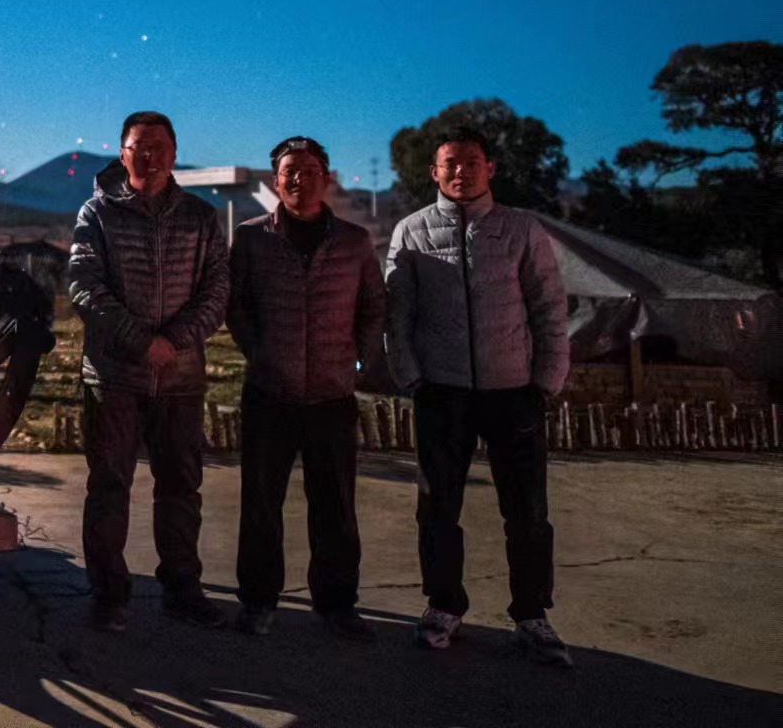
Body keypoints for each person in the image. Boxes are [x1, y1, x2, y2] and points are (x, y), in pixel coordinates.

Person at [385, 128, 572, 666]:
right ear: (434, 172)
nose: (460, 171)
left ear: (490, 168)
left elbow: (548, 306)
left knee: (528, 510)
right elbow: (397, 315)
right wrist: (411, 377)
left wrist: (546, 379)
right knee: (437, 508)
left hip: (513, 390)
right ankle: (443, 605)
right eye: (450, 163)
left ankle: (531, 614)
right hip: (441, 392)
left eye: (471, 161)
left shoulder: (521, 229)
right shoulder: (411, 231)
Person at [69, 110, 230, 631]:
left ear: (175, 153)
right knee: (109, 487)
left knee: (181, 487)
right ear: (123, 154)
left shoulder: (201, 218)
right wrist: (141, 342)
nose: (150, 154)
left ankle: (182, 589)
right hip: (114, 376)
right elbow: (84, 285)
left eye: (160, 145)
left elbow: (218, 290)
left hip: (180, 379)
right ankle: (108, 596)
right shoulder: (97, 214)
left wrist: (174, 340)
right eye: (140, 146)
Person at [225, 136, 385, 640]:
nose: (299, 179)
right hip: (269, 393)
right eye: (289, 171)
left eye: (310, 170)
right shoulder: (251, 238)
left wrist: (358, 362)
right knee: (260, 505)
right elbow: (235, 305)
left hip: (332, 395)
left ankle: (337, 604)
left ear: (327, 178)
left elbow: (373, 307)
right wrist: (259, 352)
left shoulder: (354, 241)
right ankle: (258, 602)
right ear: (276, 181)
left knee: (335, 507)